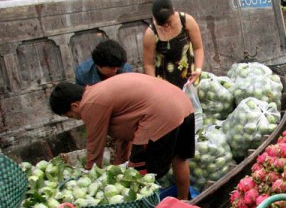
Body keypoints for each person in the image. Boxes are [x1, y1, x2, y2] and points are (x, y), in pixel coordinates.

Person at [49, 74, 195, 201]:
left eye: (71, 116)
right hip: (183, 104)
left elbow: (94, 146)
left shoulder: (90, 104)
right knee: (179, 158)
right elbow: (123, 136)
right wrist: (121, 163)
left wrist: (88, 178)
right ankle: (184, 201)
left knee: (139, 176)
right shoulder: (101, 91)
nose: (77, 119)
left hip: (161, 114)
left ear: (74, 106)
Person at [143, 0, 204, 89]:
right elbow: (148, 64)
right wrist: (154, 87)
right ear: (154, 18)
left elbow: (198, 48)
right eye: (162, 25)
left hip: (190, 78)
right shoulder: (151, 34)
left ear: (174, 11)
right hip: (165, 84)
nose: (166, 26)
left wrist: (198, 69)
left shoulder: (187, 21)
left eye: (169, 21)